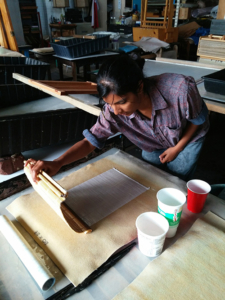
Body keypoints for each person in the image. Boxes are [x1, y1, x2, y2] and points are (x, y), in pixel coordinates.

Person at [26, 55, 209, 182]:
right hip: (152, 142)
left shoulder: (180, 90)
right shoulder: (112, 111)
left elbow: (198, 120)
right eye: (110, 104)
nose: (116, 111)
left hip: (188, 136)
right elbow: (91, 141)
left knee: (178, 177)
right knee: (151, 175)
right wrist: (57, 162)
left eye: (122, 102)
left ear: (139, 87)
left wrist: (177, 148)